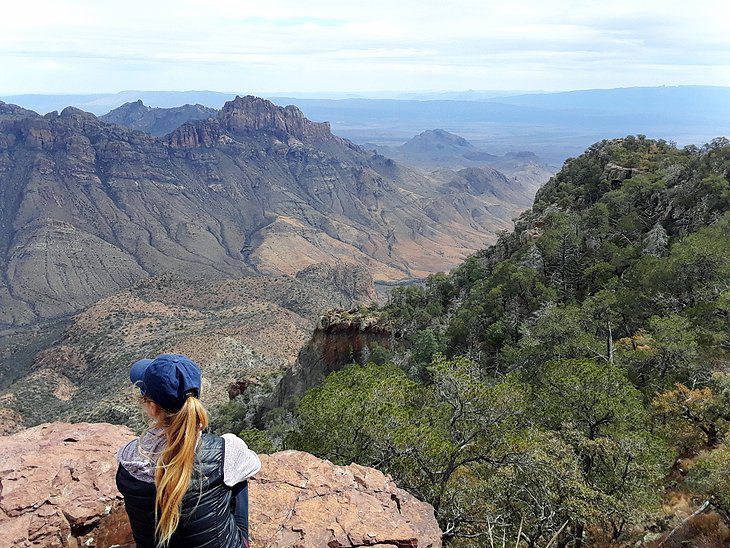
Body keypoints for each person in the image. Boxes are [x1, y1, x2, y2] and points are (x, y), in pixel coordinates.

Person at [116, 354, 260, 547]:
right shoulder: (225, 450)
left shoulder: (128, 458)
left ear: (151, 407)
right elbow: (254, 464)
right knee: (237, 476)